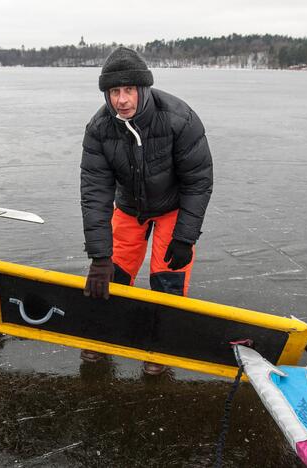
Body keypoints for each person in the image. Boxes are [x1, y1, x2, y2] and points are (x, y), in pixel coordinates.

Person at [79, 47, 214, 375]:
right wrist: (99, 256)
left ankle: (160, 346)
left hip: (172, 208)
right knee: (113, 275)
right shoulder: (99, 129)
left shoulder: (179, 119)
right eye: (114, 92)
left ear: (143, 89)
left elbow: (198, 182)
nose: (121, 100)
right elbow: (95, 194)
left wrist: (185, 237)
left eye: (128, 90)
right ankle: (101, 335)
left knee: (167, 279)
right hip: (128, 208)